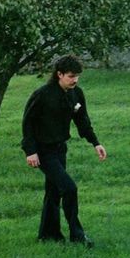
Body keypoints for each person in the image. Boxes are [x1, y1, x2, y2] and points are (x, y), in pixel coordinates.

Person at [21, 55, 106, 246]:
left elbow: (82, 121)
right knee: (69, 188)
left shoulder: (76, 94)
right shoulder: (42, 95)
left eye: (77, 76)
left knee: (53, 192)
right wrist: (30, 151)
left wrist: (96, 143)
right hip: (43, 151)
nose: (75, 80)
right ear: (59, 74)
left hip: (60, 149)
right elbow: (28, 123)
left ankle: (48, 236)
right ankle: (77, 236)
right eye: (71, 76)